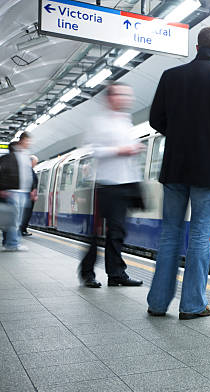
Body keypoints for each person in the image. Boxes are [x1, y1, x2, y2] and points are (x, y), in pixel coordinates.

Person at [146, 27, 210, 319]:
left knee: (169, 235)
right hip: (209, 172)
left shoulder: (170, 76)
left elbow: (155, 119)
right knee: (200, 236)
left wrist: (178, 135)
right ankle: (192, 305)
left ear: (197, 46)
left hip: (175, 168)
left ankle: (158, 303)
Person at [78, 82, 144, 288]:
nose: (127, 99)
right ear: (111, 97)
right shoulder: (99, 122)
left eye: (128, 95)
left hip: (126, 183)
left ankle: (116, 274)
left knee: (117, 232)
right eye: (122, 95)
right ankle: (87, 273)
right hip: (106, 184)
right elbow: (94, 151)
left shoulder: (127, 121)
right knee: (96, 232)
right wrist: (120, 150)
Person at [0, 135, 35, 251]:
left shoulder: (25, 157)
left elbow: (28, 175)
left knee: (16, 219)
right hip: (14, 191)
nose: (27, 144)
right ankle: (13, 244)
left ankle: (10, 242)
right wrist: (3, 189)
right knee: (14, 220)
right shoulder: (8, 158)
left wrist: (31, 189)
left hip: (22, 191)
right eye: (26, 141)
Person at [20, 155, 39, 236]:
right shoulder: (28, 170)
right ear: (31, 161)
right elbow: (30, 182)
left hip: (28, 195)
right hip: (28, 195)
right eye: (35, 162)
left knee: (27, 213)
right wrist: (33, 191)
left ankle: (23, 229)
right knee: (26, 213)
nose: (36, 164)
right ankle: (22, 230)